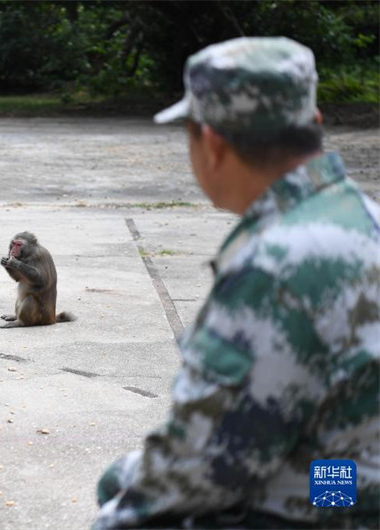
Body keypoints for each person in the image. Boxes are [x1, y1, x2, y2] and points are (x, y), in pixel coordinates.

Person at [95, 37, 379, 529]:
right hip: (350, 475)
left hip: (338, 505)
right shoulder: (362, 217)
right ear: (314, 124)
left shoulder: (274, 266)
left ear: (212, 143)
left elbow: (206, 461)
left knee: (130, 495)